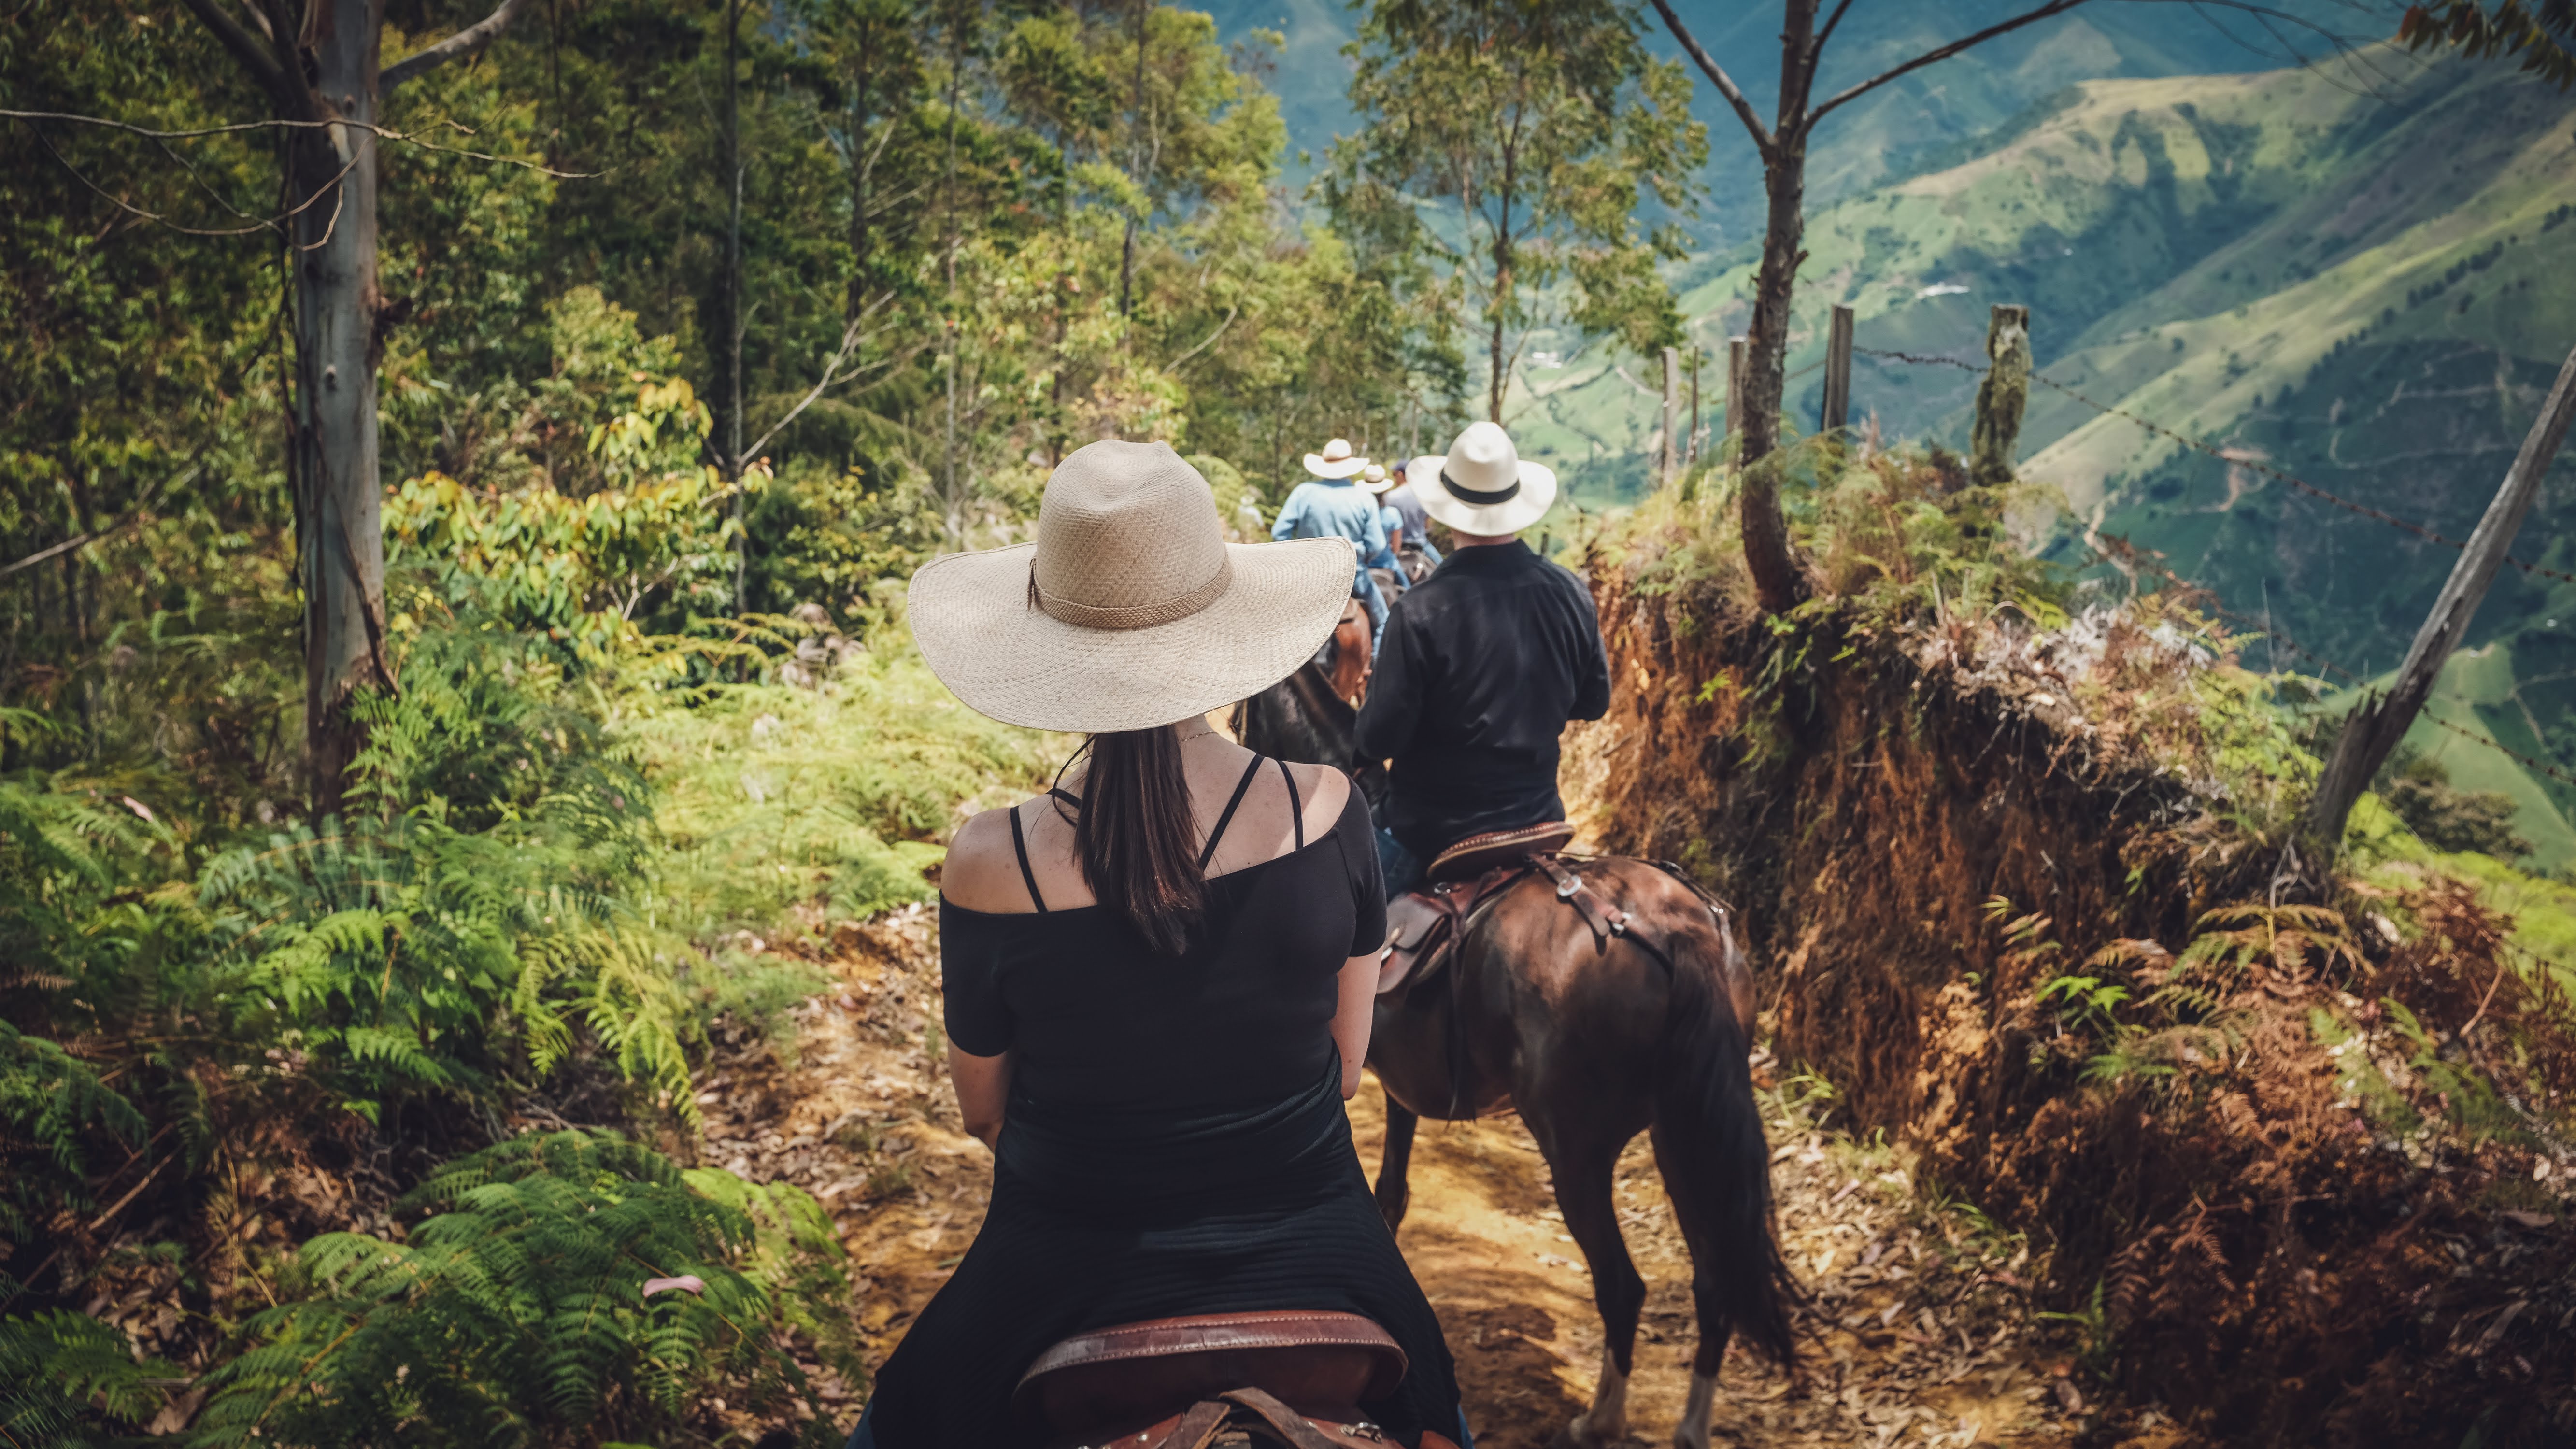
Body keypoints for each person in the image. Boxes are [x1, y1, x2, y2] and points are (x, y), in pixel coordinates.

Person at [858, 440, 1466, 1448]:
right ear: (1222, 629)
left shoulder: (988, 857)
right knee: (1440, 1411)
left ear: (1050, 640)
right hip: (1316, 1240)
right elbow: (1347, 1069)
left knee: (890, 1427)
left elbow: (981, 1112)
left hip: (1060, 1252)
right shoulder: (1327, 811)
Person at [1355, 423, 1610, 896]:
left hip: (1432, 831)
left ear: (1445, 513)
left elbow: (1381, 735)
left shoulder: (1418, 611)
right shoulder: (1571, 590)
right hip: (1539, 817)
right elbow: (1593, 702)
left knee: (1344, 922)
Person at [1272, 436, 1397, 647]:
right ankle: (1375, 671)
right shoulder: (1364, 497)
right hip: (1352, 577)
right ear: (1350, 467)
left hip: (1307, 576)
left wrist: (1296, 558)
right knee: (1385, 621)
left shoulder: (1304, 492)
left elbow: (1279, 533)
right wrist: (1362, 558)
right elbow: (1377, 545)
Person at [1378, 459, 1443, 582]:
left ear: (1401, 475)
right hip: (1420, 544)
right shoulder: (1422, 496)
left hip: (1396, 546)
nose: (1394, 478)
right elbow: (1426, 526)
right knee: (1443, 569)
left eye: (1394, 474)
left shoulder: (1389, 497)